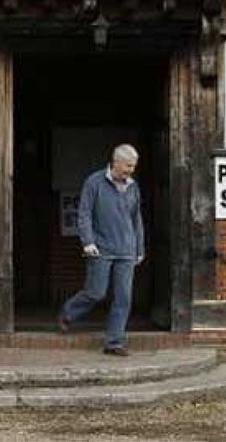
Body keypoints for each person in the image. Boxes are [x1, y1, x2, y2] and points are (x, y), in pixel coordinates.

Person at [57, 143, 145, 356]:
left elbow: (136, 219)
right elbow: (84, 214)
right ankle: (68, 313)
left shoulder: (133, 186)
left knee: (123, 297)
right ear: (116, 162)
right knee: (96, 292)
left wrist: (139, 248)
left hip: (126, 250)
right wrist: (88, 241)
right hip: (101, 248)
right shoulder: (94, 182)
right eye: (128, 166)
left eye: (133, 167)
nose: (131, 171)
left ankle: (114, 342)